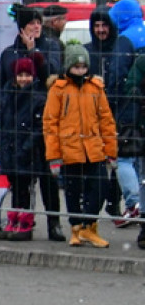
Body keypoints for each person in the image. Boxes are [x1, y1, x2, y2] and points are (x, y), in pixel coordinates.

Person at [0, 3, 64, 241]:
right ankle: (21, 221)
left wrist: (34, 52)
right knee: (19, 176)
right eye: (31, 23)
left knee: (47, 178)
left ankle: (54, 222)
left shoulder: (51, 47)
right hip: (16, 124)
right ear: (21, 27)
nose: (36, 27)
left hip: (42, 122)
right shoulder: (8, 53)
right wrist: (4, 104)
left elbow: (51, 77)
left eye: (38, 22)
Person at [44, 44, 117, 249]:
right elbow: (50, 124)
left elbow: (106, 120)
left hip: (93, 148)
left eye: (84, 67)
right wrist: (54, 155)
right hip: (69, 149)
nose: (80, 71)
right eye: (76, 67)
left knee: (100, 187)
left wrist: (110, 150)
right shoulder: (58, 89)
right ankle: (76, 229)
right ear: (68, 67)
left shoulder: (95, 88)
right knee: (72, 191)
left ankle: (88, 226)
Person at [86, 7, 139, 226]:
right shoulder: (88, 51)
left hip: (120, 112)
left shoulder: (122, 46)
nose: (100, 30)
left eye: (104, 25)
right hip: (94, 114)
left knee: (122, 158)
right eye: (96, 26)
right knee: (105, 162)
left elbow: (125, 79)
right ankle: (111, 204)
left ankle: (123, 203)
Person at [0, 57, 48, 241]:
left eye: (27, 75)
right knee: (15, 188)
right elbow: (0, 124)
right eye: (20, 75)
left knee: (25, 188)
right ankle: (13, 220)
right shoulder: (8, 97)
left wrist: (25, 148)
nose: (24, 79)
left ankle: (25, 223)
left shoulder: (37, 99)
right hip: (9, 151)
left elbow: (38, 129)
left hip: (26, 153)